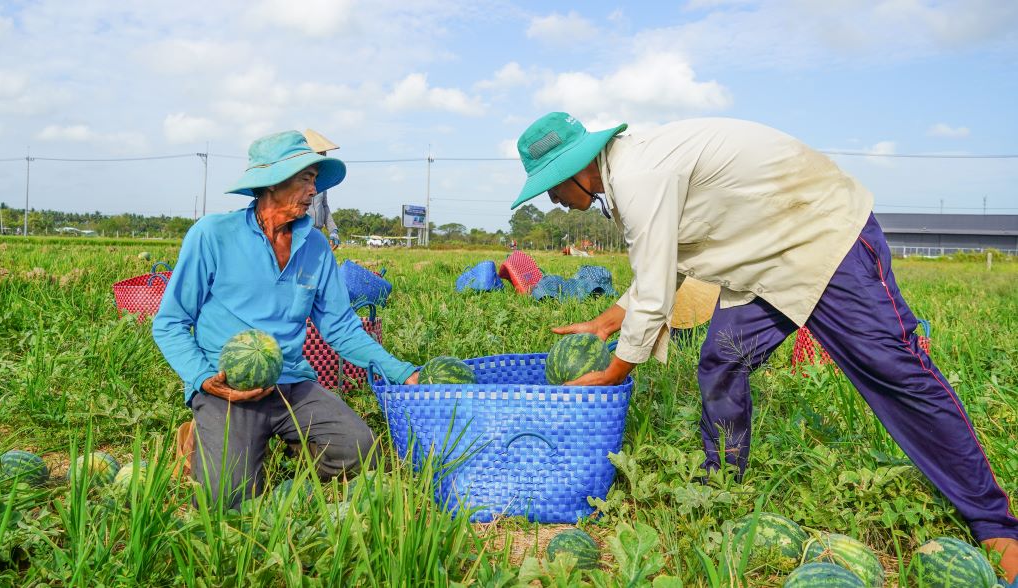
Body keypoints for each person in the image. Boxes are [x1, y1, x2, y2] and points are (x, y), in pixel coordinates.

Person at [511, 112, 1018, 581]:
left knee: (896, 371)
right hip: (767, 258)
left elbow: (655, 286)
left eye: (551, 187)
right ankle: (723, 481)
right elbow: (668, 264)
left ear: (578, 169)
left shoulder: (640, 175)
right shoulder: (631, 172)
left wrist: (612, 374)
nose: (551, 199)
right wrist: (608, 321)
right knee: (722, 360)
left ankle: (995, 522)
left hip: (822, 235)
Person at [154, 130, 419, 509]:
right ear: (272, 184)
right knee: (223, 500)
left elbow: (341, 327)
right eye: (305, 179)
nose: (313, 190)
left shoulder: (315, 246)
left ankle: (289, 443)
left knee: (362, 453)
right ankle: (203, 439)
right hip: (227, 385)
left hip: (292, 382)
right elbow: (170, 322)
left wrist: (401, 371)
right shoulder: (212, 235)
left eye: (314, 180)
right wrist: (202, 379)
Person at [304, 128, 341, 248]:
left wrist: (333, 231)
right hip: (302, 232)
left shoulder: (321, 182)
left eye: (323, 154)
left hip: (317, 233)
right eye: (320, 154)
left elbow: (324, 206)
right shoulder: (298, 180)